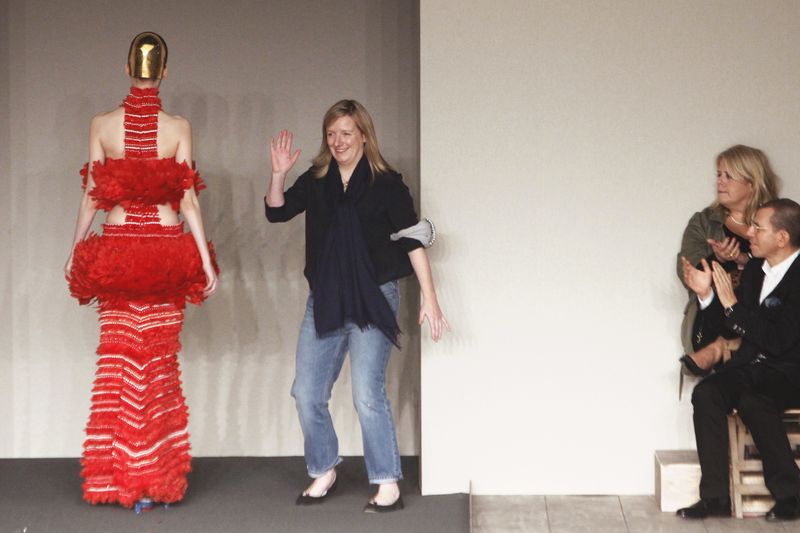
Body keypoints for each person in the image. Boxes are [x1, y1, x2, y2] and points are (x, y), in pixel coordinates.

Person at [264, 99, 448, 513]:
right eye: (331, 133)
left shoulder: (388, 184)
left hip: (373, 296)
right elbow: (277, 212)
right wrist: (277, 175)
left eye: (346, 133)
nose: (338, 141)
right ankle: (324, 468)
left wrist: (430, 300)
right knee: (307, 392)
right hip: (326, 299)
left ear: (364, 135)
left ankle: (387, 482)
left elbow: (413, 241)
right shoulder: (316, 179)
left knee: (367, 393)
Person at [65, 32, 218, 509]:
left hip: (118, 252)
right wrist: (206, 259)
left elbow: (92, 192)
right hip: (164, 254)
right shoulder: (177, 127)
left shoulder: (102, 125)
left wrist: (75, 249)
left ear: (126, 67)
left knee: (121, 365)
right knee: (156, 366)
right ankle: (155, 479)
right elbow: (188, 198)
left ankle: (124, 482)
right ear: (165, 72)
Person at [678, 198, 800, 521]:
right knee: (707, 393)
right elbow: (730, 324)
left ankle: (790, 496)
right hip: (751, 369)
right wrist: (707, 296)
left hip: (790, 371)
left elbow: (778, 341)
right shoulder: (757, 270)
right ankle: (715, 498)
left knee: (752, 397)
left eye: (758, 228)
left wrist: (733, 307)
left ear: (782, 238)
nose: (749, 233)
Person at [677, 145, 778, 376]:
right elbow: (687, 272)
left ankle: (724, 347)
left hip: (764, 318)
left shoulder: (779, 221)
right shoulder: (704, 222)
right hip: (714, 317)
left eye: (728, 176)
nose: (720, 182)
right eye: (718, 175)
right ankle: (722, 346)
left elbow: (790, 267)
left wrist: (746, 260)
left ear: (752, 182)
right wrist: (718, 260)